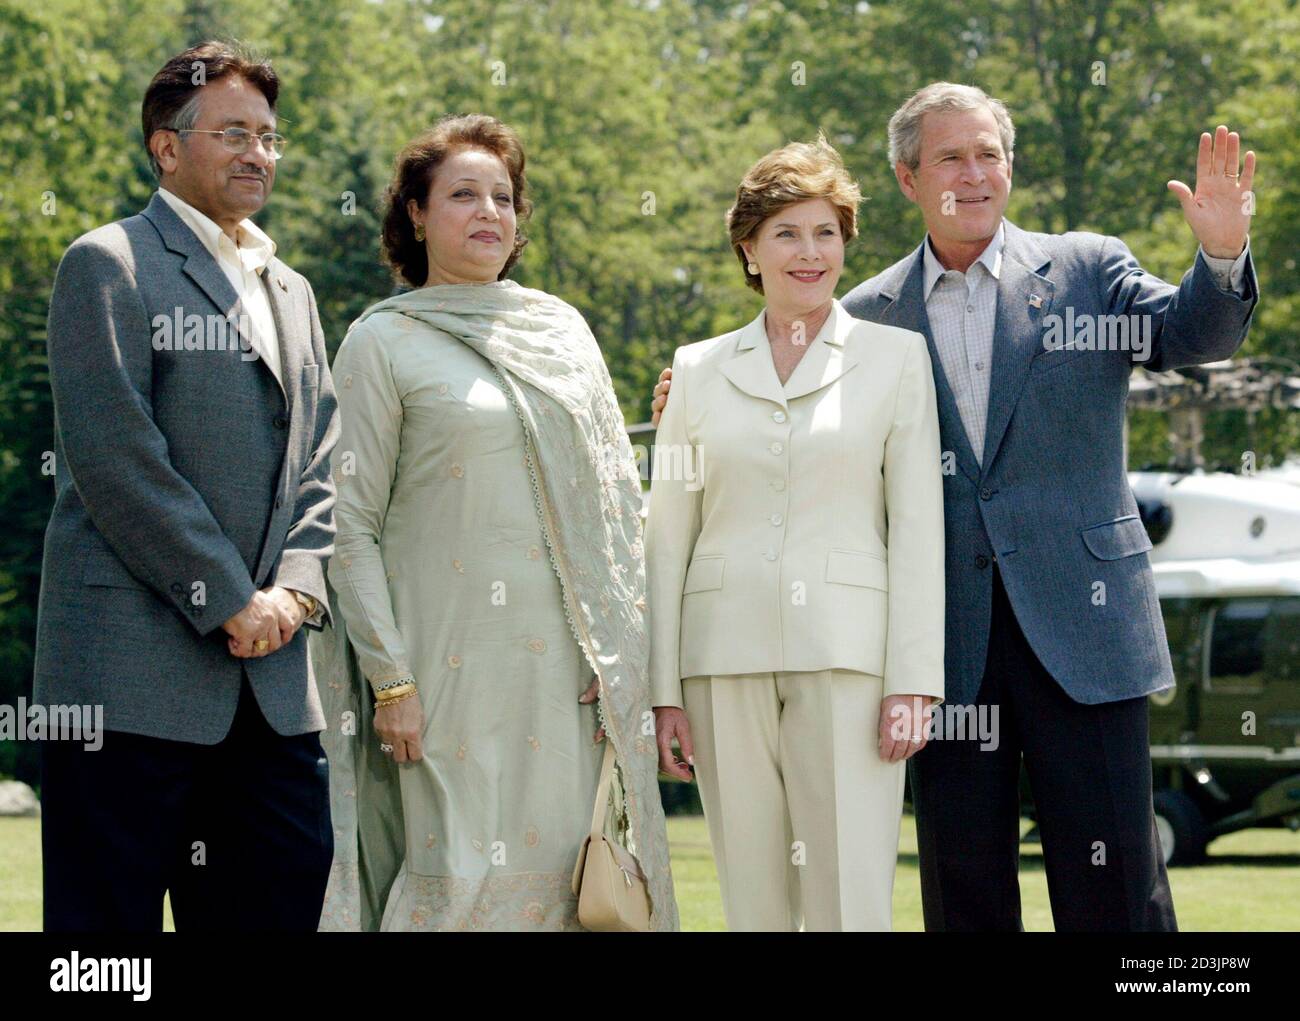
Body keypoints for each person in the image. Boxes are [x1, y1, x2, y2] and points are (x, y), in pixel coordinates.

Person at [652, 83, 1259, 931]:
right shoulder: (867, 313)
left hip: (1086, 631)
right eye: (950, 157)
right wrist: (691, 397)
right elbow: (784, 409)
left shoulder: (1087, 269)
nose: (974, 174)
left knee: (1117, 889)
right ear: (907, 178)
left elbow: (1193, 335)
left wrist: (1223, 256)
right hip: (944, 651)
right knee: (964, 893)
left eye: (989, 155)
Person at [310, 114, 678, 931]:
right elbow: (349, 524)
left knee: (566, 890)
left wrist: (615, 642)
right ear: (415, 213)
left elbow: (613, 505)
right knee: (460, 880)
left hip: (567, 683)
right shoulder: (383, 342)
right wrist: (391, 680)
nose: (489, 212)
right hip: (441, 675)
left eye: (503, 197)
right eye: (463, 194)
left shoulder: (562, 334)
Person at [35, 40, 341, 931]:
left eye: (271, 137)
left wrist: (294, 592)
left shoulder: (294, 291)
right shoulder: (108, 263)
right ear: (167, 147)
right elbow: (115, 457)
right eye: (235, 132)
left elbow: (322, 463)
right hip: (126, 686)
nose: (260, 154)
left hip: (276, 692)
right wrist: (230, 599)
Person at [645, 135, 945, 931]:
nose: (808, 253)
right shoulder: (697, 369)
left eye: (826, 232)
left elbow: (918, 526)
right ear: (749, 247)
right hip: (721, 663)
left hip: (849, 660)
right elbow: (667, 532)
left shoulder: (898, 359)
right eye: (786, 233)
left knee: (848, 900)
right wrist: (663, 690)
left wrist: (913, 679)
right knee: (754, 904)